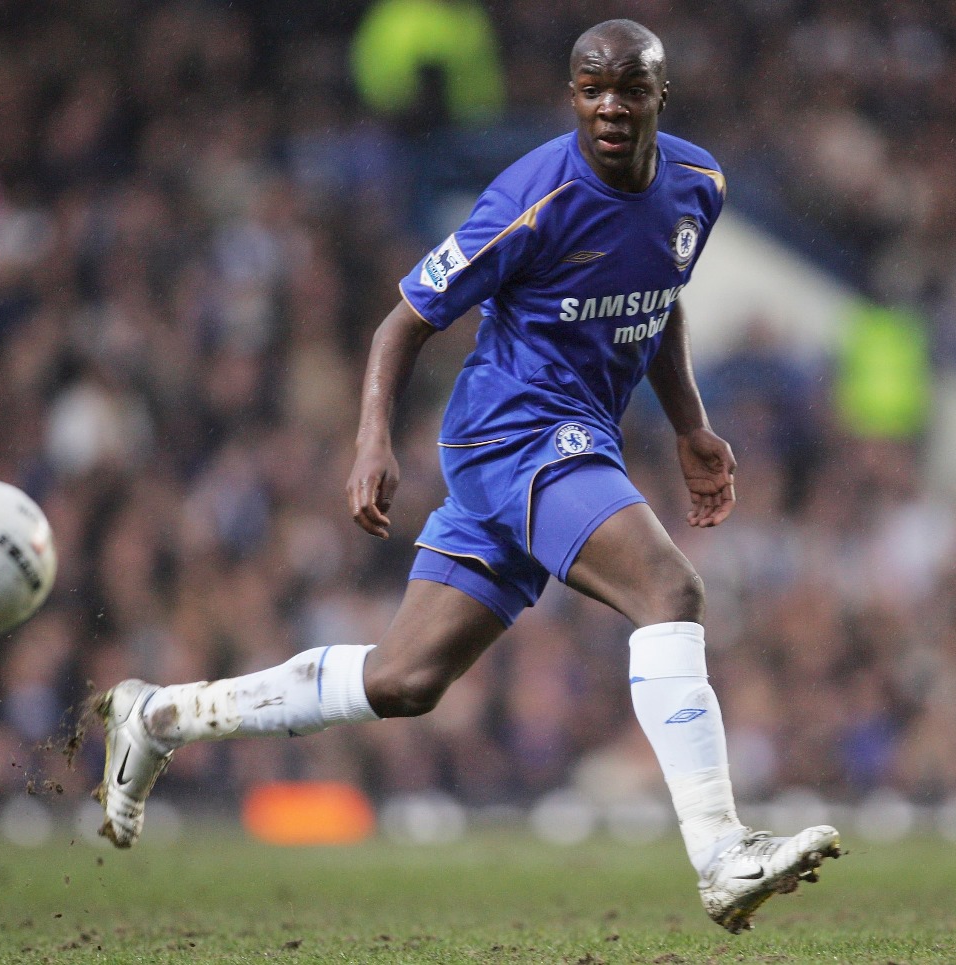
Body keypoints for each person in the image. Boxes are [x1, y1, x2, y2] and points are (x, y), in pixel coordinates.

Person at [95, 19, 839, 933]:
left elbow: (659, 297)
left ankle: (161, 717)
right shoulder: (533, 197)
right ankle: (721, 851)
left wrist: (691, 424)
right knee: (667, 590)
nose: (610, 105)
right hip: (510, 436)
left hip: (570, 437)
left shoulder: (700, 185)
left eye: (629, 89)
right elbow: (400, 323)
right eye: (591, 87)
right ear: (572, 96)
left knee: (405, 680)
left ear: (660, 97)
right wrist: (372, 439)